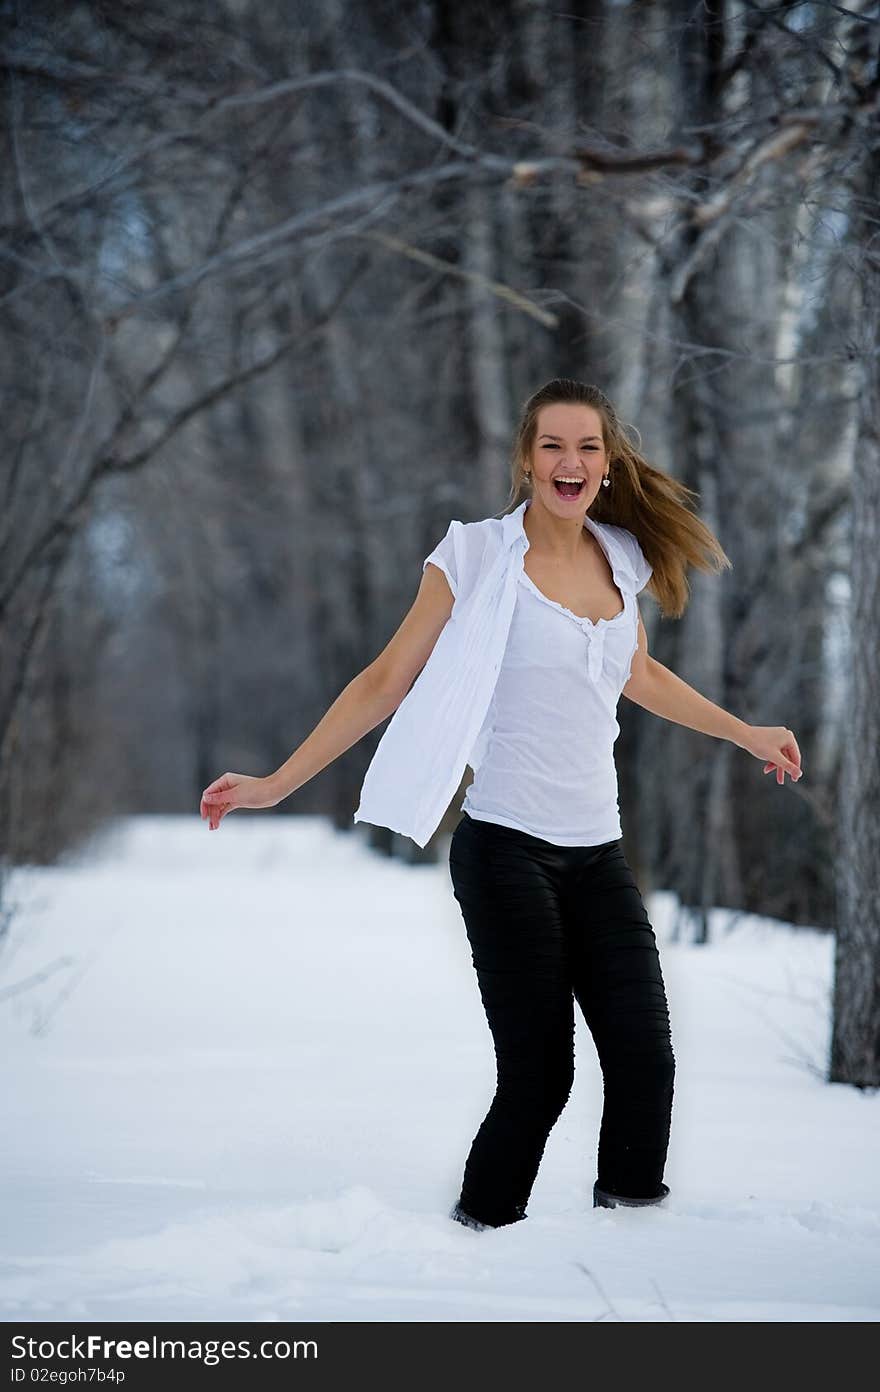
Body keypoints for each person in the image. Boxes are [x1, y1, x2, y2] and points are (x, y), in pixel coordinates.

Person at [200, 379, 803, 1230]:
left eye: (588, 447)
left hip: (599, 854)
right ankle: (481, 1240)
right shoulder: (476, 558)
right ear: (526, 459)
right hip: (506, 851)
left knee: (645, 1060)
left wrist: (743, 731)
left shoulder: (619, 558)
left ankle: (634, 1243)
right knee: (541, 1076)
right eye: (553, 446)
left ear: (607, 462)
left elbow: (636, 673)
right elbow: (384, 679)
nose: (571, 462)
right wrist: (277, 783)